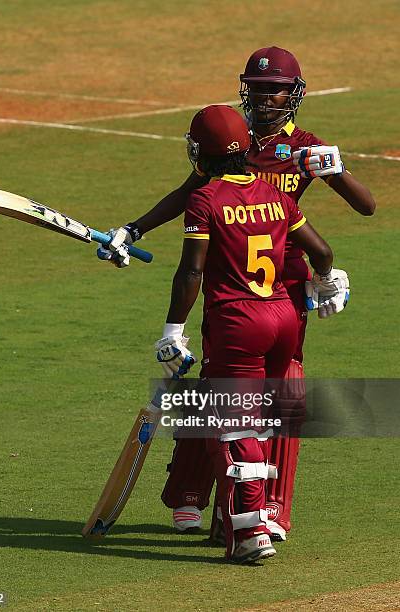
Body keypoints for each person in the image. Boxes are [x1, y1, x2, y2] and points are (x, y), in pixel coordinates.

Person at [98, 46, 375, 541]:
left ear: (295, 93)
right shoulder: (233, 140)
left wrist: (334, 172)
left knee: (279, 393)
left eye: (275, 89)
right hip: (229, 284)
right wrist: (134, 229)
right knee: (218, 387)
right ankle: (189, 492)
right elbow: (190, 193)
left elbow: (366, 207)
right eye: (257, 87)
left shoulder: (307, 147)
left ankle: (268, 509)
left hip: (285, 286)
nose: (265, 97)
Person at [155, 103, 348, 562]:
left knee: (232, 423)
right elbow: (322, 251)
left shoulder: (205, 199)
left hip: (238, 323)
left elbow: (190, 273)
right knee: (262, 418)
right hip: (283, 316)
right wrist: (326, 280)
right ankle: (250, 515)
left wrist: (172, 331)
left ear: (203, 152)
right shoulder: (273, 194)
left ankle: (249, 530)